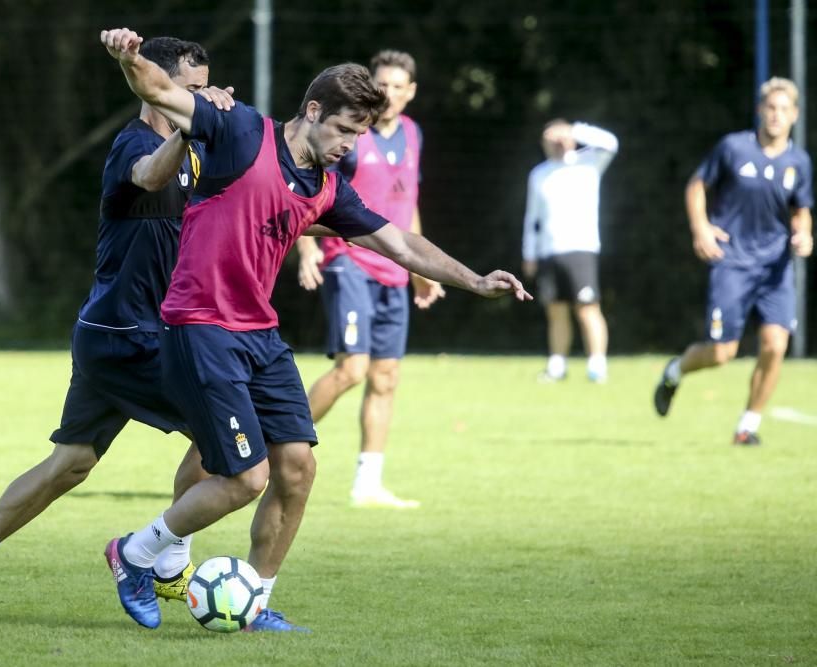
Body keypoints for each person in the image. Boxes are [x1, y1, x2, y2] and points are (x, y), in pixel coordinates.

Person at [100, 26, 531, 634]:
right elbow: (161, 92)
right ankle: (135, 553)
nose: (350, 145)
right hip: (200, 325)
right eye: (346, 129)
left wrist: (475, 279)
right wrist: (129, 55)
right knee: (245, 478)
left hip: (260, 334)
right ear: (312, 110)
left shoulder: (326, 187)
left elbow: (400, 242)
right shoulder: (240, 130)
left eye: (359, 134)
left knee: (297, 470)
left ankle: (254, 599)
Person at [0, 37, 237, 623]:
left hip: (111, 335)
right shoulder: (135, 145)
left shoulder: (192, 154)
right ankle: (163, 563)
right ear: (157, 89)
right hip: (127, 337)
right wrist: (191, 127)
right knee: (227, 437)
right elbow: (147, 175)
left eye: (202, 89)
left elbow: (231, 208)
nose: (199, 100)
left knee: (70, 464)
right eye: (189, 90)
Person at [295, 50, 444, 509]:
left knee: (385, 376)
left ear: (411, 92)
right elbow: (309, 191)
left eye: (399, 86)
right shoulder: (351, 137)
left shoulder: (414, 134)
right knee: (352, 369)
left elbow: (408, 202)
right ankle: (279, 446)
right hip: (350, 261)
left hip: (394, 271)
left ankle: (368, 483)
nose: (390, 94)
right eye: (383, 85)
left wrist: (419, 267)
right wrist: (306, 248)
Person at [653, 77, 813, 445]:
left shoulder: (798, 161)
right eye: (770, 108)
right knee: (722, 353)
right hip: (732, 263)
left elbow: (801, 210)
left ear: (795, 115)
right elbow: (696, 186)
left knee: (775, 345)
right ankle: (675, 371)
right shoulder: (734, 148)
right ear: (760, 110)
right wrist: (701, 228)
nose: (776, 116)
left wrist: (803, 234)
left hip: (775, 268)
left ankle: (748, 426)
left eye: (783, 110)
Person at [521, 118, 618, 383]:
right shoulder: (539, 174)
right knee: (555, 310)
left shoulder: (589, 164)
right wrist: (529, 253)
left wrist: (574, 131)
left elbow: (611, 143)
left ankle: (597, 365)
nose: (554, 144)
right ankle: (557, 365)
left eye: (558, 138)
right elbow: (532, 218)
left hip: (581, 248)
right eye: (549, 139)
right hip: (549, 251)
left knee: (587, 307)